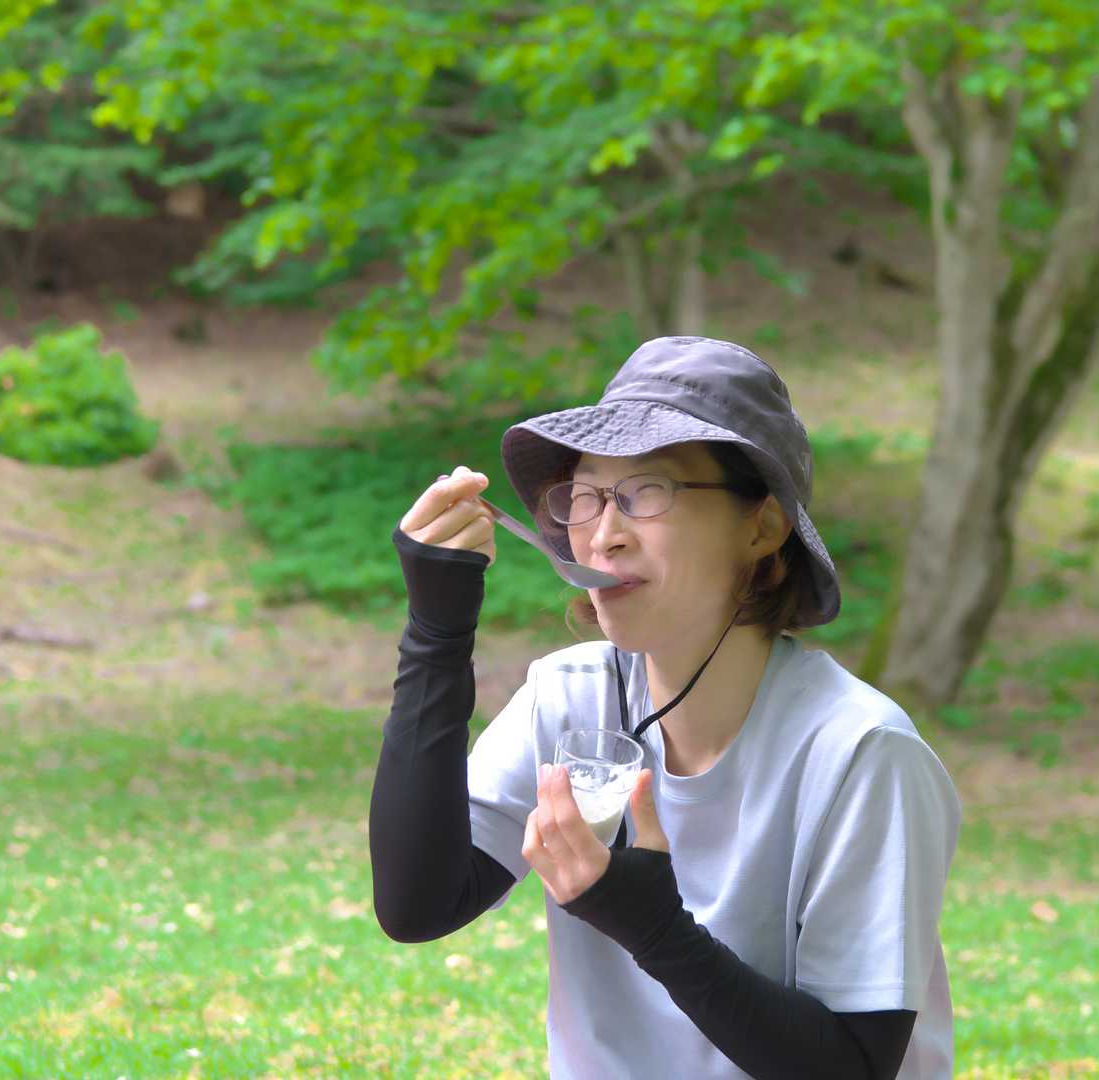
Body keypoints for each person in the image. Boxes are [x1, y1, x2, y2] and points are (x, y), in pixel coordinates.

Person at [370, 336, 961, 1079]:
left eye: (647, 492)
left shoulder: (860, 753)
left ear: (762, 527)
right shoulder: (570, 698)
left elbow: (854, 1066)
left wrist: (655, 928)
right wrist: (436, 637)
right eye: (585, 497)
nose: (604, 535)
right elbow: (417, 906)